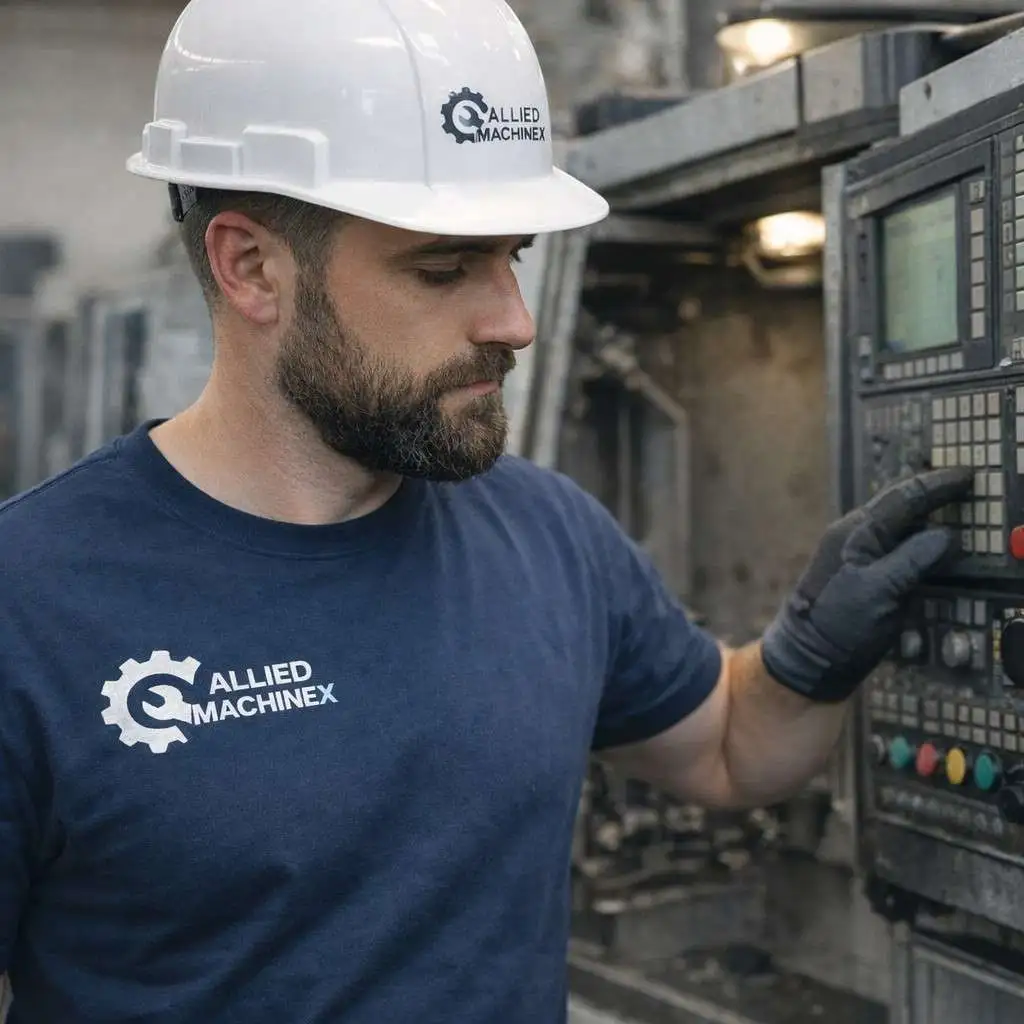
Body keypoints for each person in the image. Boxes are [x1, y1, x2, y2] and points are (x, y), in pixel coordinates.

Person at [0, 0, 973, 1021]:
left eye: (511, 257)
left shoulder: (547, 535)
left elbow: (728, 747)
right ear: (251, 268)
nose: (513, 321)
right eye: (443, 267)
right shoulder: (34, 599)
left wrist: (809, 657)